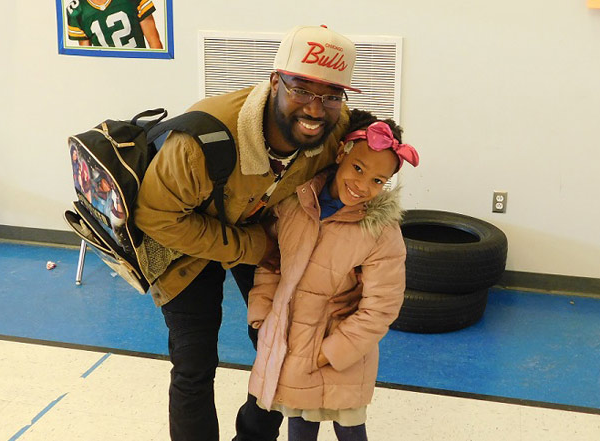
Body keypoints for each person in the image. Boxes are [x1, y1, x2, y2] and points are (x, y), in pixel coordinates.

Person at [134, 25, 362, 441]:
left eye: (331, 96)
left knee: (281, 348)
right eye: (302, 90)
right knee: (194, 363)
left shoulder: (335, 129)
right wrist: (255, 247)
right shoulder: (198, 142)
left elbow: (370, 164)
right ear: (275, 82)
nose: (316, 109)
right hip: (183, 244)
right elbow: (156, 218)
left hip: (262, 230)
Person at [246, 110, 420, 441]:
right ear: (341, 153)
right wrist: (262, 315)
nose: (362, 185)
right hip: (290, 342)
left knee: (350, 428)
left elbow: (381, 307)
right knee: (299, 421)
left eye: (377, 181)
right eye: (358, 168)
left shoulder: (381, 231)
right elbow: (271, 264)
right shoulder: (296, 203)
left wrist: (330, 352)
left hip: (341, 353)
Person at [66, 0, 163, 49]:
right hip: (106, 73)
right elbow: (86, 57)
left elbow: (154, 42)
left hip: (139, 66)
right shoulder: (77, 10)